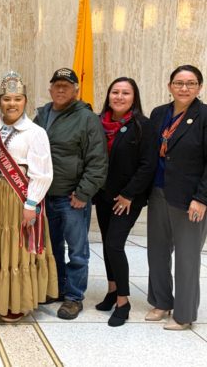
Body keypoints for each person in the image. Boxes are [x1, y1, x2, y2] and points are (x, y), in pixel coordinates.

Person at [0, 71, 58, 322]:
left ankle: (16, 300)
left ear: (25, 101)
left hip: (18, 196)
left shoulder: (35, 132)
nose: (12, 104)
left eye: (18, 99)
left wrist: (31, 203)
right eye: (7, 99)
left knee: (17, 246)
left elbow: (43, 173)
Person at [34, 68, 108, 320]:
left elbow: (97, 161)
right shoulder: (42, 114)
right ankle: (58, 288)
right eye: (57, 85)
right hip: (45, 196)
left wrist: (84, 193)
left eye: (67, 85)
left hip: (72, 198)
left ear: (76, 90)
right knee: (52, 248)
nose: (61, 89)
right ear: (50, 88)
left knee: (77, 251)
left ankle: (74, 297)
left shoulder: (87, 118)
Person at [146, 65, 207, 330]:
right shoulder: (159, 113)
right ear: (169, 85)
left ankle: (183, 315)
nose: (184, 88)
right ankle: (161, 302)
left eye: (191, 83)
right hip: (158, 192)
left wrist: (202, 198)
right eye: (179, 83)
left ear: (200, 88)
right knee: (157, 252)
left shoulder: (204, 116)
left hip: (189, 198)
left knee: (186, 257)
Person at [93, 77, 158, 327]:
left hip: (128, 198)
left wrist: (129, 194)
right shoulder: (99, 122)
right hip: (104, 195)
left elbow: (147, 165)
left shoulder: (143, 125)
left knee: (114, 245)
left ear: (134, 97)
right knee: (107, 244)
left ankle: (123, 301)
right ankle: (111, 290)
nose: (119, 97)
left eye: (125, 93)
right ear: (108, 95)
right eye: (115, 92)